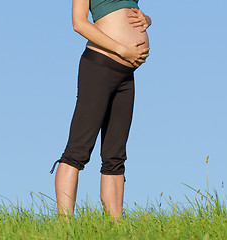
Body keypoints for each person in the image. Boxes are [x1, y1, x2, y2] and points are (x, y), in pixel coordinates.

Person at [49, 0, 151, 220]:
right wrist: (121, 48)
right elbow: (78, 23)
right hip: (100, 65)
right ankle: (64, 225)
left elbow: (127, 12)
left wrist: (146, 20)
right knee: (77, 150)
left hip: (126, 75)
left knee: (115, 156)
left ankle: (116, 227)